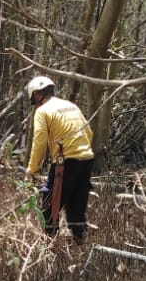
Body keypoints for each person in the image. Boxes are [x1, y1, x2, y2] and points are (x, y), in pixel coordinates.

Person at [25, 75, 95, 244]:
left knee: (50, 205)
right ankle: (80, 242)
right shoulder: (71, 106)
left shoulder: (42, 111)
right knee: (76, 206)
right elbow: (89, 132)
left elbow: (39, 142)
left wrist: (31, 170)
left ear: (37, 95)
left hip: (65, 163)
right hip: (86, 159)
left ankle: (49, 245)